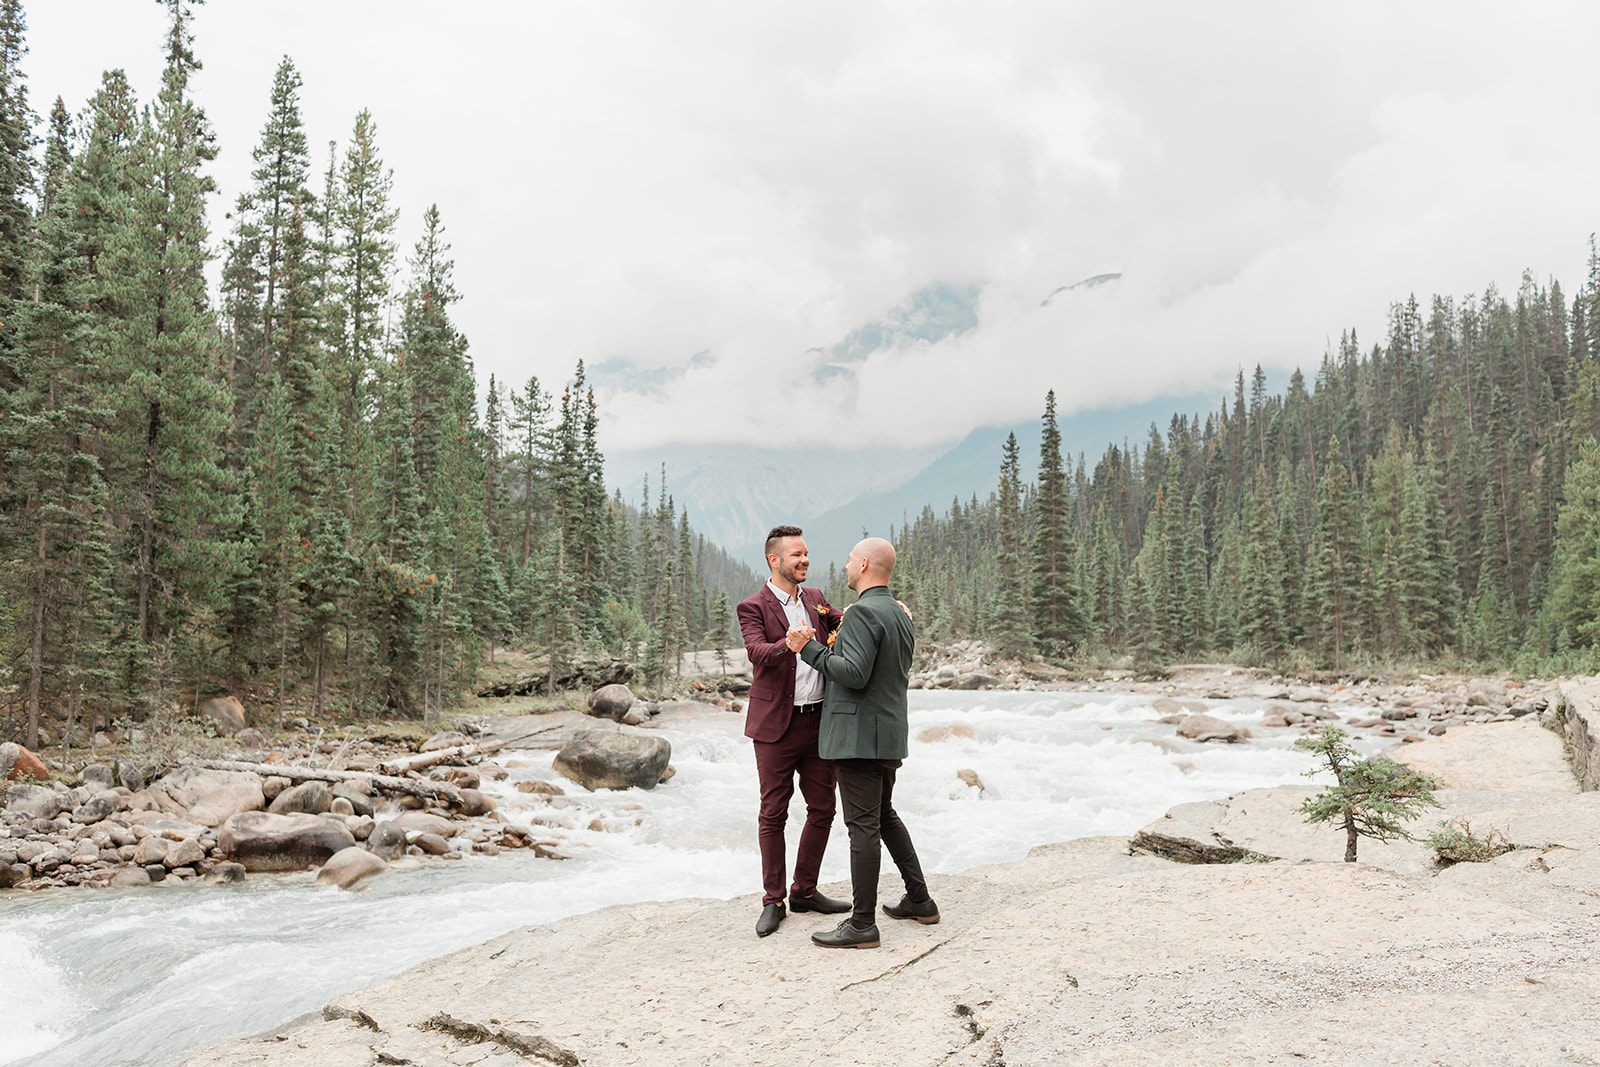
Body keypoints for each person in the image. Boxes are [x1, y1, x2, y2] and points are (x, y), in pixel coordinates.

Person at [786, 536, 938, 949]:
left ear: (865, 564)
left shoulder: (863, 614)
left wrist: (809, 649)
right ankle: (920, 900)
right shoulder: (897, 612)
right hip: (887, 734)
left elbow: (852, 673)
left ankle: (862, 924)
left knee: (863, 828)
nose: (846, 566)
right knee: (884, 816)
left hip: (858, 739)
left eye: (851, 560)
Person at [736, 525, 851, 938]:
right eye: (796, 555)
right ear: (775, 560)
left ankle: (804, 891)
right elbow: (757, 653)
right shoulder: (753, 606)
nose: (804, 560)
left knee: (823, 809)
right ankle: (774, 900)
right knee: (773, 812)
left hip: (819, 721)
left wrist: (887, 607)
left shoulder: (817, 600)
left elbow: (846, 621)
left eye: (806, 554)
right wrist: (792, 642)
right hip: (775, 728)